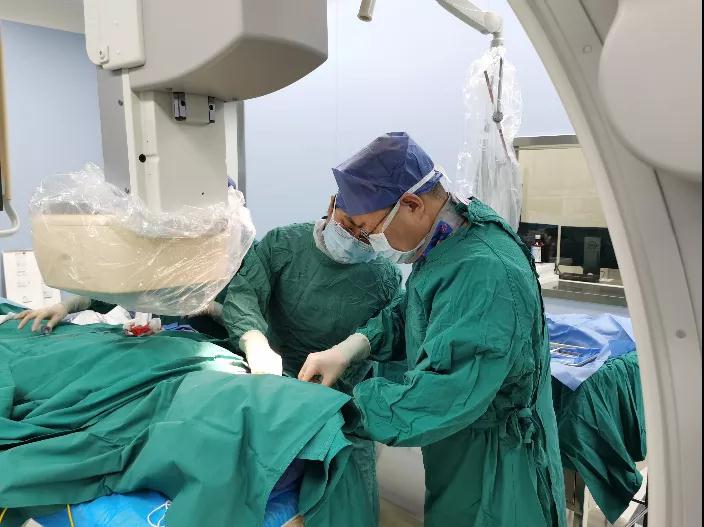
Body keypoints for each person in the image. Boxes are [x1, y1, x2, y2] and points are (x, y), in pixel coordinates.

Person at [299, 132, 566, 527]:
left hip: (499, 471)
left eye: (366, 230)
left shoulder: (485, 269)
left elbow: (444, 391)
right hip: (463, 449)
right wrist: (354, 346)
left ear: (412, 204)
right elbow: (414, 310)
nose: (366, 242)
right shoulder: (448, 241)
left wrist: (344, 409)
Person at [220, 198, 402, 524]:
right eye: (347, 224)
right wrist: (254, 340)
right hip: (271, 382)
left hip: (338, 404)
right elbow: (244, 293)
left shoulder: (385, 278)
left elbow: (388, 334)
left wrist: (349, 358)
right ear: (332, 205)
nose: (353, 238)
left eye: (365, 235)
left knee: (346, 501)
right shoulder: (283, 244)